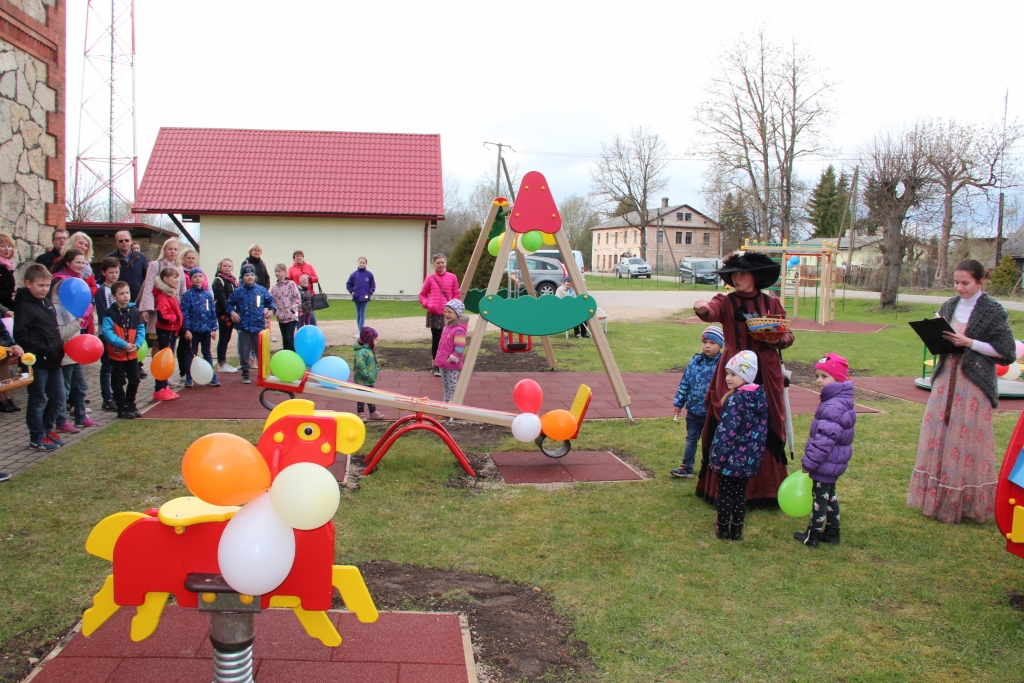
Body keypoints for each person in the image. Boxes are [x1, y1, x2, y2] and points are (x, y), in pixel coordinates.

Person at [908, 259, 1016, 524]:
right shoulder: (949, 305)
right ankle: (934, 499)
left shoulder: (992, 311)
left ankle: (961, 503)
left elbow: (1007, 352)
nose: (960, 287)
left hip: (973, 382)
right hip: (946, 378)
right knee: (938, 434)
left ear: (981, 281)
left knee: (964, 440)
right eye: (956, 282)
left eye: (965, 283)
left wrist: (970, 342)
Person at [693, 251, 793, 504]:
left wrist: (778, 339)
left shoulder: (772, 303)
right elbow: (711, 311)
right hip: (733, 370)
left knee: (766, 421)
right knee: (729, 420)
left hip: (765, 369)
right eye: (734, 274)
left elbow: (788, 336)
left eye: (743, 273)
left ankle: (766, 489)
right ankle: (723, 488)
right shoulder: (725, 301)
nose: (737, 278)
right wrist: (702, 308)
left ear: (755, 276)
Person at [794, 353, 856, 548]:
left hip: (826, 462)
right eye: (817, 376)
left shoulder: (833, 406)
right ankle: (833, 532)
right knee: (830, 495)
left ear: (838, 378)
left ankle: (812, 536)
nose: (818, 381)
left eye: (824, 376)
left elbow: (824, 440)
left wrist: (808, 462)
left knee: (819, 498)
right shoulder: (839, 400)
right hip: (834, 462)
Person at [708, 351, 768, 541]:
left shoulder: (736, 401)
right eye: (727, 374)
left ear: (746, 376)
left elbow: (725, 434)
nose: (728, 378)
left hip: (730, 460)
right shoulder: (760, 399)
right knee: (740, 494)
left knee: (726, 493)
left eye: (733, 374)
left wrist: (717, 459)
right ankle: (737, 529)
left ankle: (724, 528)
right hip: (748, 460)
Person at [13, 264, 67, 451]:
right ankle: (36, 436)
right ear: (28, 284)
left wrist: (57, 348)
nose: (44, 289)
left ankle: (46, 429)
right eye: (40, 285)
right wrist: (43, 349)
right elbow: (21, 334)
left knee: (59, 396)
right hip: (38, 361)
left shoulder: (47, 303)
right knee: (37, 400)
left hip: (54, 360)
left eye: (47, 285)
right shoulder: (24, 307)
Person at [670, 325, 723, 479]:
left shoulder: (722, 365)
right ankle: (686, 467)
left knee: (710, 442)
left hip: (711, 412)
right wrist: (678, 402)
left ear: (720, 345)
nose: (707, 346)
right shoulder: (694, 362)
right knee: (691, 440)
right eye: (705, 342)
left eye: (712, 343)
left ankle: (709, 468)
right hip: (693, 410)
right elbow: (685, 383)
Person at [101, 280, 146, 419]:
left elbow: (140, 329)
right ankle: (122, 407)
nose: (125, 296)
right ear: (114, 296)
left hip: (132, 353)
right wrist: (123, 345)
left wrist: (137, 345)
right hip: (117, 354)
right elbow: (108, 333)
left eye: (127, 292)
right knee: (118, 382)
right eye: (121, 294)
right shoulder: (109, 313)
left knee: (135, 379)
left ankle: (131, 403)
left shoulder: (134, 311)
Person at [226, 264, 276, 385]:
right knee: (244, 350)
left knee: (261, 350)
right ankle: (245, 372)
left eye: (252, 275)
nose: (249, 277)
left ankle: (263, 372)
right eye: (246, 275)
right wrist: (232, 312)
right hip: (243, 326)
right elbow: (229, 304)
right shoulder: (238, 291)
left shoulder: (261, 290)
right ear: (242, 277)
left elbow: (271, 302)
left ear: (255, 276)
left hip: (258, 325)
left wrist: (271, 311)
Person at [420, 253, 459, 377]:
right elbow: (422, 294)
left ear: (445, 263)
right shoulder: (430, 278)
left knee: (449, 340)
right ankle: (436, 365)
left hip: (448, 315)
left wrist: (454, 309)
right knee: (437, 340)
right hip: (435, 314)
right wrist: (428, 304)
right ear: (434, 264)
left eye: (442, 262)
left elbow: (456, 294)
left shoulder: (452, 277)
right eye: (438, 263)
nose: (441, 264)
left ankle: (447, 364)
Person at [180, 269, 219, 389]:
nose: (198, 279)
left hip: (206, 329)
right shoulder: (187, 295)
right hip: (193, 330)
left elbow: (212, 312)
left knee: (207, 352)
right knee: (191, 353)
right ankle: (189, 377)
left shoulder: (208, 295)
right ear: (191, 279)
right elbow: (184, 313)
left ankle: (211, 376)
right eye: (195, 277)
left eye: (200, 277)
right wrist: (186, 329)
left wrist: (214, 328)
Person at [94, 258, 123, 411]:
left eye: (116, 272)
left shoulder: (119, 288)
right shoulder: (102, 291)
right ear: (104, 273)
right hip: (107, 334)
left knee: (116, 367)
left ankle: (117, 395)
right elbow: (105, 313)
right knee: (107, 367)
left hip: (119, 333)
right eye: (110, 272)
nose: (114, 275)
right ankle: (107, 397)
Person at [152, 267, 183, 401]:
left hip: (172, 329)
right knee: (163, 360)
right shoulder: (163, 295)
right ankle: (159, 389)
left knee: (168, 359)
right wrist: (175, 319)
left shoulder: (171, 293)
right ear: (165, 279)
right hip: (166, 330)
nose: (177, 280)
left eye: (177, 277)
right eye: (174, 277)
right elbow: (162, 315)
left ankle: (164, 387)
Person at [50, 249, 97, 334]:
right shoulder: (59, 280)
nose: (81, 266)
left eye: (83, 263)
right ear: (68, 262)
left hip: (79, 321)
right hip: (64, 322)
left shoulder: (79, 278)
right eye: (78, 262)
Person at [434, 299, 468, 403]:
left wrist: (453, 357)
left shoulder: (458, 330)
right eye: (445, 311)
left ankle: (455, 402)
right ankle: (447, 401)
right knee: (446, 383)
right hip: (445, 360)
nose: (446, 314)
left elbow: (460, 347)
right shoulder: (447, 326)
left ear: (457, 313)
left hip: (451, 362)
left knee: (452, 383)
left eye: (450, 312)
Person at [105, 230, 148, 304]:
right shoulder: (109, 258)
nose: (124, 242)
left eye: (126, 240)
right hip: (117, 300)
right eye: (121, 241)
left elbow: (146, 278)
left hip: (137, 299)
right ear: (116, 243)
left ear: (131, 241)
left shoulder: (141, 257)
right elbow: (103, 278)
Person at [212, 258, 238, 373]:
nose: (227, 268)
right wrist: (230, 312)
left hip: (232, 313)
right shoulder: (218, 280)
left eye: (229, 266)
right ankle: (221, 363)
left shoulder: (233, 281)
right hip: (224, 314)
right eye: (224, 266)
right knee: (223, 337)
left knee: (227, 337)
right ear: (220, 267)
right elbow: (221, 300)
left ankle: (224, 361)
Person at [353, 326, 384, 420]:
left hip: (369, 379)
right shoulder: (361, 352)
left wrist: (376, 370)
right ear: (369, 340)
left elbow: (372, 362)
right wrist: (367, 374)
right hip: (362, 380)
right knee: (362, 396)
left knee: (370, 395)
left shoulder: (370, 350)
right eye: (375, 340)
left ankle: (372, 411)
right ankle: (360, 412)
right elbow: (360, 365)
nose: (376, 342)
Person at [270, 264, 301, 352]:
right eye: (275, 271)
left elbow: (297, 298)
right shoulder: (275, 287)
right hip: (281, 317)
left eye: (279, 271)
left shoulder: (291, 284)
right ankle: (286, 356)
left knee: (289, 337)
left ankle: (293, 356)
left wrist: (292, 308)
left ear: (284, 272)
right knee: (284, 338)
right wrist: (274, 311)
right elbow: (270, 299)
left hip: (291, 316)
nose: (277, 273)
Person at [288, 250, 320, 325]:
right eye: (297, 256)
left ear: (303, 257)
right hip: (297, 296)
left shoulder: (309, 267)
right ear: (294, 258)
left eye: (300, 256)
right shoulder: (291, 269)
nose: (299, 257)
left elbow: (316, 279)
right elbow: (288, 282)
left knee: (311, 315)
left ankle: (312, 331)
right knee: (299, 315)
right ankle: (300, 331)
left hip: (309, 296)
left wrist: (309, 277)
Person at [346, 257, 375, 336]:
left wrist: (370, 292)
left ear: (366, 264)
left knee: (362, 313)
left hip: (365, 297)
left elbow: (373, 285)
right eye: (360, 262)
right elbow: (348, 284)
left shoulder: (369, 274)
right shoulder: (354, 274)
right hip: (356, 297)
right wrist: (352, 291)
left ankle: (360, 330)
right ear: (358, 263)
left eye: (363, 263)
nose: (362, 264)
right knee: (358, 313)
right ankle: (359, 329)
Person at [0, 233, 17, 310]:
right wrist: (10, 296)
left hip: (9, 307)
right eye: (2, 246)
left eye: (9, 246)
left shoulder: (8, 266)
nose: (7, 249)